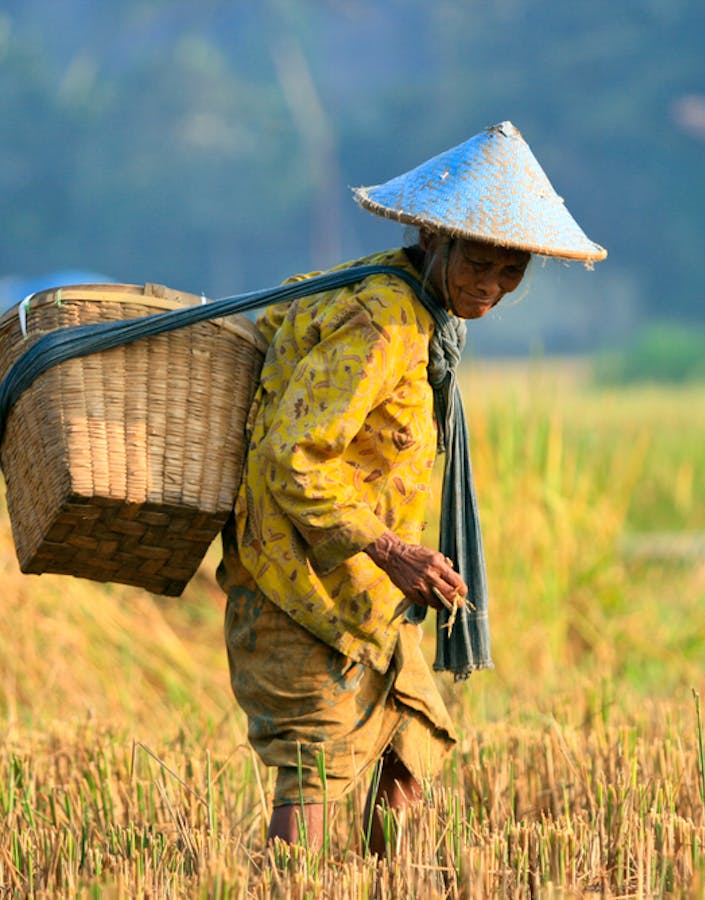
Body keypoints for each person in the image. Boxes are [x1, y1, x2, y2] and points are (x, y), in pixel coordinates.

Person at [216, 121, 605, 855]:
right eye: (480, 265)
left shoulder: (423, 316)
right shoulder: (381, 321)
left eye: (511, 273)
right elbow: (292, 456)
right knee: (315, 767)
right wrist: (395, 551)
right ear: (434, 239)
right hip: (297, 592)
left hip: (368, 601)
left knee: (413, 739)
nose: (490, 288)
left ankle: (384, 878)